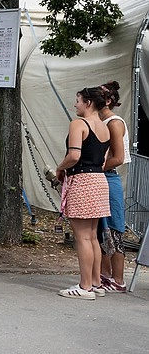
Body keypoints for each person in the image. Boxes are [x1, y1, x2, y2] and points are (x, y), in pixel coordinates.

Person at [55, 87, 111, 300]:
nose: (75, 104)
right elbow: (103, 159)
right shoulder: (104, 127)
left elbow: (74, 155)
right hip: (99, 180)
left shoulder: (78, 124)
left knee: (82, 237)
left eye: (77, 100)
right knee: (93, 236)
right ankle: (96, 282)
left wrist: (61, 168)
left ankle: (85, 286)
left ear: (88, 102)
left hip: (82, 180)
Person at [98, 81, 130, 293]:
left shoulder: (113, 122)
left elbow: (117, 157)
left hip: (108, 178)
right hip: (100, 177)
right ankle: (105, 275)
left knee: (114, 229)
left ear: (108, 100)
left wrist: (94, 167)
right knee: (100, 229)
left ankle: (118, 279)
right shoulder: (98, 121)